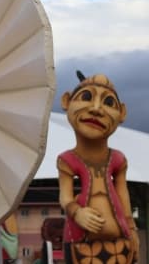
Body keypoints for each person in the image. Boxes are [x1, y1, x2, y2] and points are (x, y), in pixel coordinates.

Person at [58, 71, 138, 264]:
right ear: (67, 101)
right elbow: (65, 197)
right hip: (80, 241)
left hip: (121, 240)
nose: (96, 109)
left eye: (109, 103)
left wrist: (132, 229)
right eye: (86, 97)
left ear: (122, 114)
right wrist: (78, 213)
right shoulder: (67, 159)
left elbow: (123, 195)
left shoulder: (118, 159)